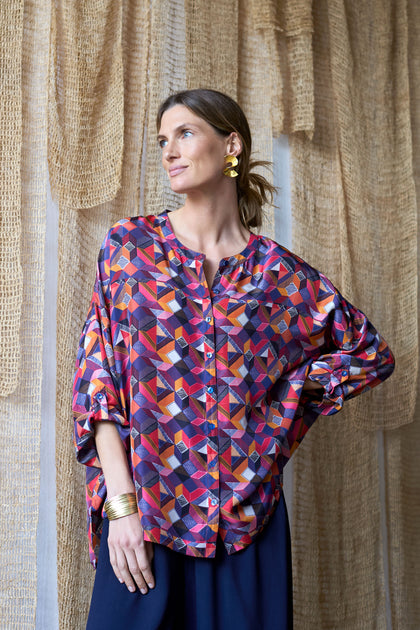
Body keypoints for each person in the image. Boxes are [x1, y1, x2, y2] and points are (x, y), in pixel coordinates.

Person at [73, 88, 395, 630]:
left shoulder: (281, 277)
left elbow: (370, 353)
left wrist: (290, 398)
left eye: (185, 133)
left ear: (232, 146)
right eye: (162, 141)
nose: (169, 151)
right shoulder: (131, 248)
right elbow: (97, 379)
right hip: (145, 519)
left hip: (246, 525)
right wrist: (122, 507)